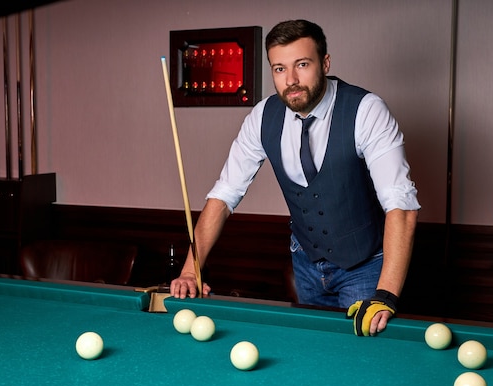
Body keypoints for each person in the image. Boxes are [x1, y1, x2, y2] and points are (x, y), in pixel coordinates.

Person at [170, 19, 420, 337]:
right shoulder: (263, 117)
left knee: (359, 362)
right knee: (314, 354)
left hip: (365, 265)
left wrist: (385, 295)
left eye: (302, 64)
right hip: (305, 263)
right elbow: (224, 195)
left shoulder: (366, 111)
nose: (291, 80)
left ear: (325, 63)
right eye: (279, 69)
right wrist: (191, 269)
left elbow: (402, 205)